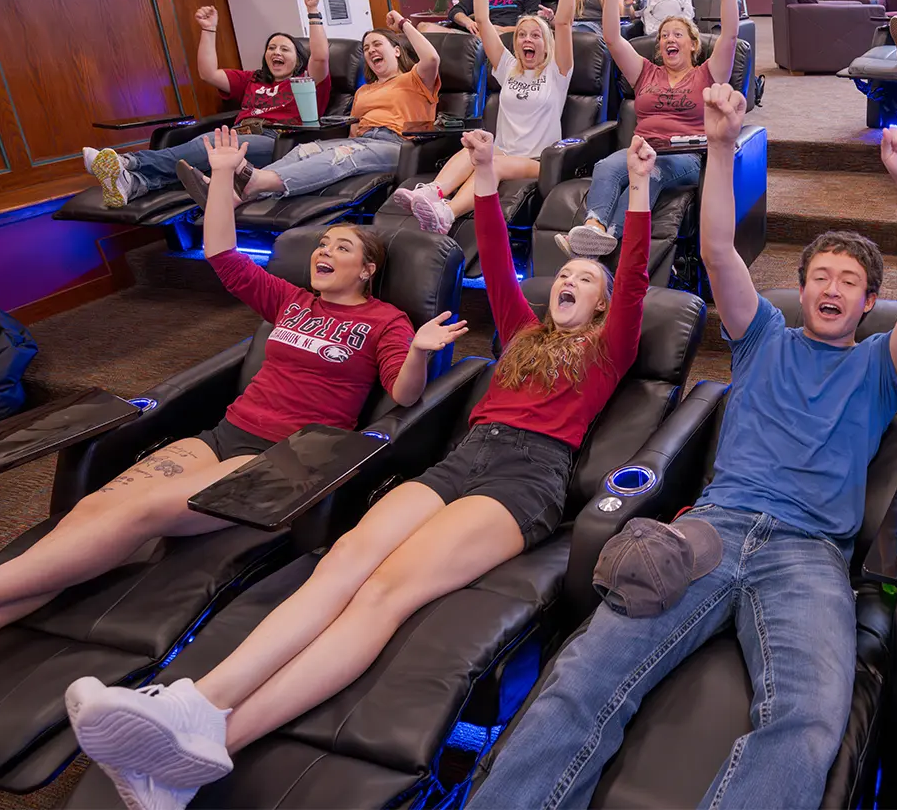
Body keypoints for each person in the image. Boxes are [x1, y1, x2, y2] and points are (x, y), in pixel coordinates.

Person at [63, 127, 656, 810]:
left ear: (606, 306)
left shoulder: (610, 347)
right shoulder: (522, 332)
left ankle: (207, 752)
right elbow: (493, 256)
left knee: (385, 592)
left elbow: (635, 273)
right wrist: (486, 170)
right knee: (345, 559)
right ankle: (193, 704)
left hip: (528, 477)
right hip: (468, 454)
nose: (570, 282)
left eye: (587, 280)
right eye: (565, 276)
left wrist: (638, 189)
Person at [466, 87, 897, 809]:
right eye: (819, 275)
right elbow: (719, 248)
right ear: (800, 287)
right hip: (709, 530)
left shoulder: (880, 367)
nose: (831, 287)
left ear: (867, 304)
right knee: (582, 680)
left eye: (850, 282)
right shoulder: (760, 336)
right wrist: (721, 146)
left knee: (809, 720)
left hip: (810, 554)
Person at [0, 127, 462, 635]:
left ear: (368, 268)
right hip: (225, 434)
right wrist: (220, 176)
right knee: (97, 506)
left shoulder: (386, 320)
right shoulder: (291, 300)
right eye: (321, 243)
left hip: (280, 457)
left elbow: (404, 394)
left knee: (141, 514)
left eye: (341, 246)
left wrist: (417, 350)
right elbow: (221, 253)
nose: (322, 251)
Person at [390, 0, 581, 234]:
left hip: (537, 161)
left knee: (491, 163)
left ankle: (447, 214)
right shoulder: (508, 67)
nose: (528, 40)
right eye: (522, 35)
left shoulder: (558, 72)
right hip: (503, 150)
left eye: (536, 35)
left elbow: (565, 22)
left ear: (547, 44)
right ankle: (431, 193)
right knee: (472, 149)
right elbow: (482, 20)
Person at [557, 0, 739, 258]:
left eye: (678, 34)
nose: (670, 39)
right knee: (607, 166)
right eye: (665, 35)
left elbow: (731, 35)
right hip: (641, 149)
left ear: (693, 44)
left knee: (649, 174)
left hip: (684, 158)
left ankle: (605, 243)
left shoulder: (707, 74)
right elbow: (613, 39)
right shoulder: (645, 72)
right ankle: (594, 228)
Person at [83, 0, 331, 209]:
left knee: (211, 144)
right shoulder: (252, 79)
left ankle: (128, 162)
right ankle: (134, 183)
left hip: (276, 140)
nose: (276, 52)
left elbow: (320, 57)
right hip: (237, 134)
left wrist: (313, 11)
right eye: (271, 48)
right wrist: (208, 29)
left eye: (284, 49)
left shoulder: (306, 82)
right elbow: (208, 73)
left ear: (298, 59)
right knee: (206, 151)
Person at [175, 11, 441, 209]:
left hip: (400, 145)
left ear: (396, 51)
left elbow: (431, 58)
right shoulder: (363, 91)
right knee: (306, 149)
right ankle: (235, 194)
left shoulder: (415, 78)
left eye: (377, 44)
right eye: (366, 48)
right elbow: (353, 131)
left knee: (342, 153)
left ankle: (255, 181)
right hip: (362, 140)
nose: (370, 51)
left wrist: (404, 25)